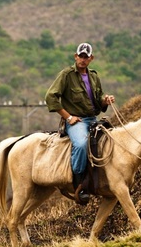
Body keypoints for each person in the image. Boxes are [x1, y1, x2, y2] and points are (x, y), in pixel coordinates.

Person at [45, 43, 115, 204]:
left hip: (93, 119)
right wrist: (68, 117)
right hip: (76, 121)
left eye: (86, 57)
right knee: (82, 144)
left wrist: (106, 100)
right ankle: (78, 184)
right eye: (80, 56)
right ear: (75, 56)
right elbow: (50, 97)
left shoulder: (94, 76)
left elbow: (99, 100)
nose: (83, 59)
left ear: (91, 58)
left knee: (112, 140)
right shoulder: (66, 75)